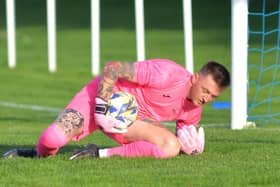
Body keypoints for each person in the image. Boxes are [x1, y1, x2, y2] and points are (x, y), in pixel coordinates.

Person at [3, 58, 230, 159]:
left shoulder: (194, 111)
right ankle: (37, 154)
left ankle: (98, 154)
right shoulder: (166, 73)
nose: (207, 98)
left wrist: (190, 149)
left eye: (213, 96)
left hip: (127, 123)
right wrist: (103, 104)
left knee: (170, 146)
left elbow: (179, 139)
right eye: (205, 90)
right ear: (196, 77)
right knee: (51, 139)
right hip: (98, 98)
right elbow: (113, 68)